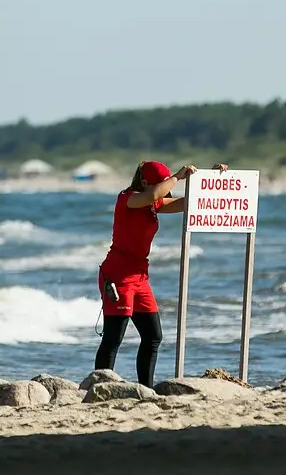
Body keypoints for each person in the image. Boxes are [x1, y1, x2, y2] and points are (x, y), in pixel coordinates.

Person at [93, 159, 229, 388]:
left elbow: (188, 203)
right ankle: (98, 386)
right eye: (163, 183)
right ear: (145, 181)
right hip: (118, 275)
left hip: (140, 277)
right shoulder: (128, 199)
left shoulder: (152, 203)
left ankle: (146, 389)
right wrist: (177, 176)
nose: (168, 187)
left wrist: (213, 179)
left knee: (153, 336)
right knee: (113, 338)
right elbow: (154, 195)